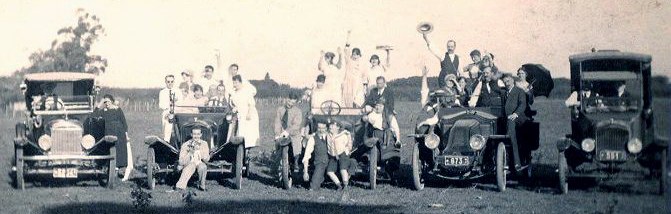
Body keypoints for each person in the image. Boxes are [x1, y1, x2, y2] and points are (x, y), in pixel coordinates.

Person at [91, 94, 132, 181]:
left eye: (108, 101)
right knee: (110, 150)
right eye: (105, 102)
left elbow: (124, 122)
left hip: (119, 133)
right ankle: (110, 170)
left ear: (112, 101)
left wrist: (126, 135)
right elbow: (94, 115)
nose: (106, 103)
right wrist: (100, 104)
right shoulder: (104, 111)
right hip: (108, 132)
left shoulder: (117, 110)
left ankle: (116, 171)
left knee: (120, 151)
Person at [502, 74, 528, 170]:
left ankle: (516, 162)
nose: (506, 83)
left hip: (518, 118)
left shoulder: (519, 91)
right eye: (504, 82)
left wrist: (515, 114)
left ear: (513, 81)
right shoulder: (504, 92)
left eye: (508, 81)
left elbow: (522, 104)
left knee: (511, 134)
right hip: (507, 118)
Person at [364, 76, 401, 143]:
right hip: (375, 111)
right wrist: (375, 105)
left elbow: (391, 104)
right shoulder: (373, 91)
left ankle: (398, 140)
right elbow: (368, 101)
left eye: (381, 83)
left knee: (393, 123)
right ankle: (369, 137)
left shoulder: (389, 92)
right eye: (378, 83)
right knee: (368, 118)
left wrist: (383, 107)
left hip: (386, 111)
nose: (379, 85)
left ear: (384, 83)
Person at [274, 92, 304, 172]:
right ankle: (277, 164)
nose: (290, 104)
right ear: (286, 99)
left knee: (297, 143)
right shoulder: (280, 109)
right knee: (278, 144)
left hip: (293, 132)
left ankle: (296, 162)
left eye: (293, 103)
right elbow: (278, 122)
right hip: (282, 132)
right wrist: (277, 133)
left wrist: (288, 131)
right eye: (289, 101)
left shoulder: (297, 111)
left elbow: (296, 124)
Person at [230, 75, 259, 149]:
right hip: (240, 114)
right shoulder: (234, 93)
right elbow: (235, 103)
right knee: (241, 132)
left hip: (248, 113)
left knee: (248, 133)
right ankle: (241, 148)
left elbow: (251, 104)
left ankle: (247, 149)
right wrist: (235, 107)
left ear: (240, 82)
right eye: (233, 83)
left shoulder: (246, 91)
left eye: (236, 83)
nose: (235, 85)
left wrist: (249, 113)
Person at [302, 118, 329, 190]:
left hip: (331, 162)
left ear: (326, 128)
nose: (321, 130)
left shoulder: (330, 137)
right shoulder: (312, 139)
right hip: (320, 162)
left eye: (323, 128)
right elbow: (307, 155)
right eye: (319, 128)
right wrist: (305, 172)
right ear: (316, 128)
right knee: (314, 185)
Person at [326, 120, 353, 190]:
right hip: (333, 155)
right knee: (329, 171)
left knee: (343, 169)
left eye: (332, 125)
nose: (330, 127)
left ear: (338, 127)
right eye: (330, 125)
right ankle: (338, 185)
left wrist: (348, 149)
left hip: (342, 154)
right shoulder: (328, 134)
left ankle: (345, 186)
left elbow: (349, 144)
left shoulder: (344, 135)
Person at [342, 30, 366, 107]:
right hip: (348, 83)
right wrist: (348, 35)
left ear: (359, 55)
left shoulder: (362, 64)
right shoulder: (349, 60)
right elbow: (346, 49)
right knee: (348, 100)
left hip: (357, 84)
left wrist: (365, 87)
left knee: (357, 100)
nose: (355, 56)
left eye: (357, 55)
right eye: (354, 54)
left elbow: (364, 76)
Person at [158, 75, 177, 142]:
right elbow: (161, 105)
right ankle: (167, 141)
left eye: (172, 81)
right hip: (167, 111)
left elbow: (180, 103)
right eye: (168, 81)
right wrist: (169, 105)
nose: (170, 83)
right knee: (167, 126)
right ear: (165, 82)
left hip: (176, 111)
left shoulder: (177, 91)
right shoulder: (162, 92)